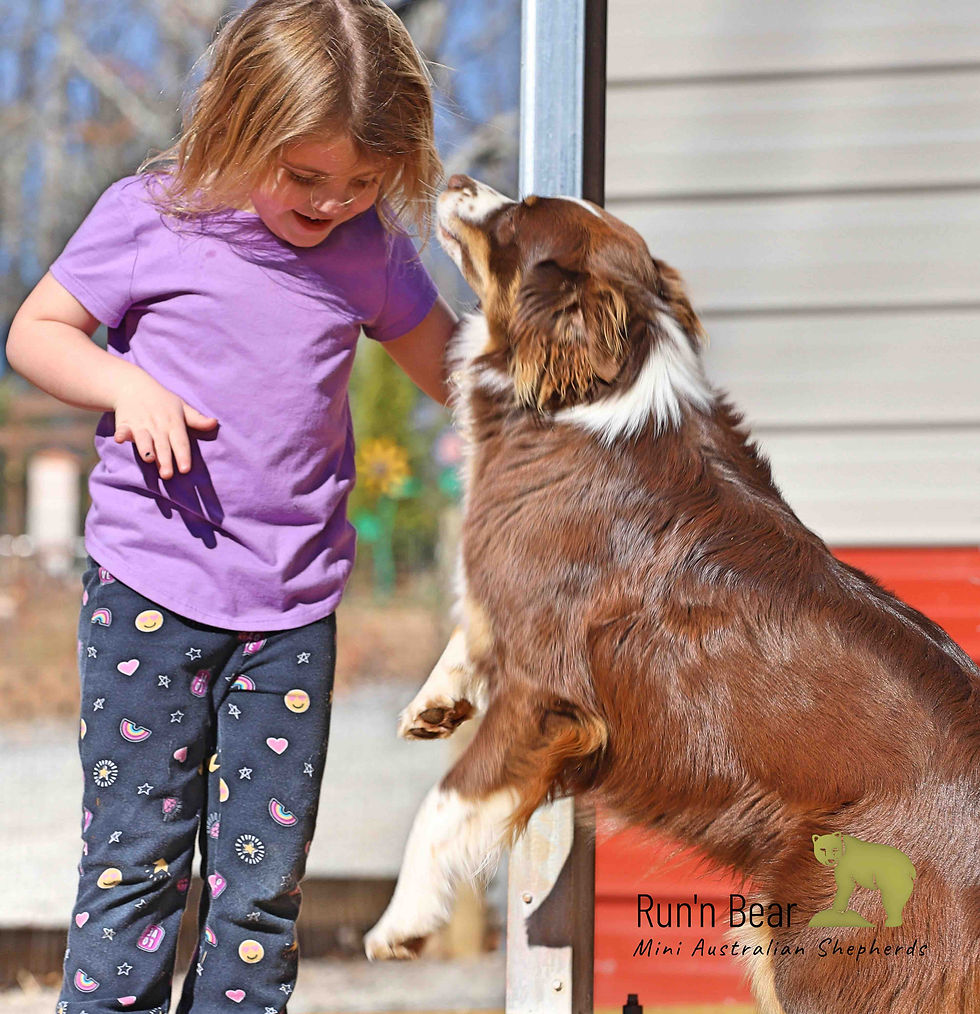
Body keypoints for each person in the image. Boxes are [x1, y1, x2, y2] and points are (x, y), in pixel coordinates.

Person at [5, 2, 456, 1011]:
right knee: (135, 873)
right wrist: (126, 385)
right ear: (240, 126)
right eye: (304, 177)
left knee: (258, 894)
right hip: (150, 598)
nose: (331, 202)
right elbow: (35, 332)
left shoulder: (369, 255)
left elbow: (457, 371)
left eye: (362, 185)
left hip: (289, 618)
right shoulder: (151, 216)